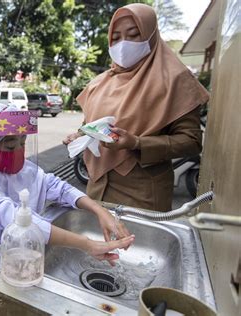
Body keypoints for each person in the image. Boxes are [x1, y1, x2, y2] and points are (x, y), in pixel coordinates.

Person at [0, 103, 134, 316]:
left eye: (23, 143)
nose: (18, 152)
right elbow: (19, 220)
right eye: (10, 145)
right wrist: (87, 244)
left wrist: (100, 211)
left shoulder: (26, 170)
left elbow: (58, 188)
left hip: (10, 260)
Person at [63, 4, 209, 212]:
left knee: (138, 244)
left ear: (151, 36)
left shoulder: (174, 80)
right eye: (115, 38)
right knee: (98, 240)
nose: (123, 44)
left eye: (133, 35)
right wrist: (80, 135)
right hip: (96, 186)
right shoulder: (101, 82)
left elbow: (191, 142)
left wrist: (137, 143)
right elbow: (91, 124)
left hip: (141, 193)